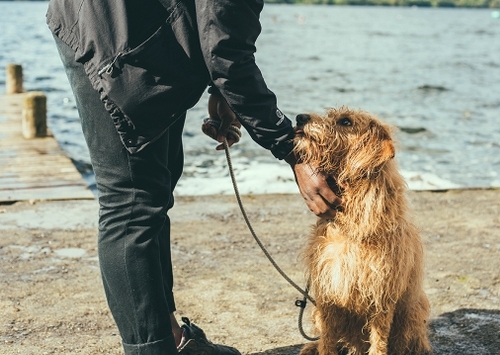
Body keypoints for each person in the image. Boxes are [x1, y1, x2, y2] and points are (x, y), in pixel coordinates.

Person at [46, 0, 341, 354]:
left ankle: (172, 338)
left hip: (141, 28)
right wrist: (292, 151)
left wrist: (221, 91)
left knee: (156, 187)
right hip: (112, 34)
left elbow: (221, 30)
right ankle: (152, 349)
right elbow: (225, 49)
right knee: (131, 203)